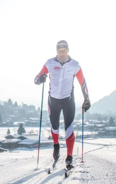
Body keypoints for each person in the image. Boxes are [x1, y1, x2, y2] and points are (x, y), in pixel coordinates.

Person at [34, 40, 90, 170]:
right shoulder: (49, 63)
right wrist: (40, 79)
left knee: (69, 129)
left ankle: (69, 157)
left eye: (64, 51)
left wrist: (86, 98)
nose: (61, 54)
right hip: (53, 101)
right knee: (54, 128)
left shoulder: (75, 65)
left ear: (68, 51)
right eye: (59, 52)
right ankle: (56, 147)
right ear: (56, 52)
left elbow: (83, 82)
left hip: (68, 101)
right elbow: (36, 78)